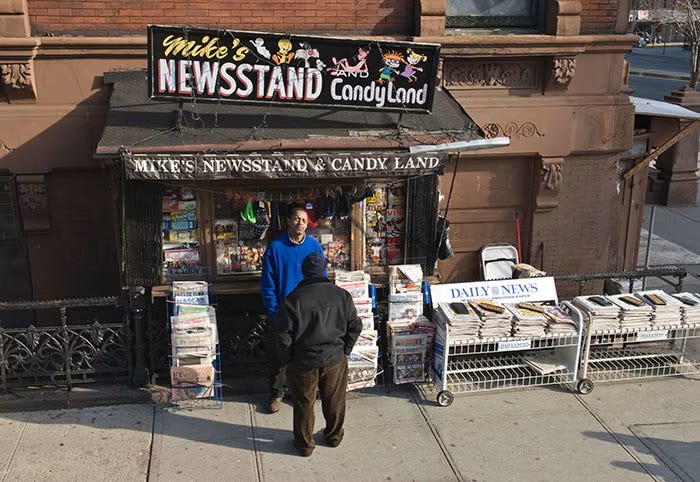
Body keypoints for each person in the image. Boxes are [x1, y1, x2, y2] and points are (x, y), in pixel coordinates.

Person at [275, 252, 362, 457]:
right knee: (335, 399)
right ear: (324, 270)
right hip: (334, 357)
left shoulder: (293, 300)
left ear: (304, 272)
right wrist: (345, 351)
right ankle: (334, 436)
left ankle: (305, 445)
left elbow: (283, 336)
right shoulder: (342, 296)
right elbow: (355, 326)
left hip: (303, 360)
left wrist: (287, 360)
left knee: (304, 402)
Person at [261, 206, 325, 414]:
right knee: (281, 354)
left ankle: (301, 391)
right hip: (283, 311)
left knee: (306, 353)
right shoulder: (275, 248)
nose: (300, 223)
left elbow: (322, 278)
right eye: (296, 219)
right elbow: (268, 284)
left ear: (308, 224)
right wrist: (274, 311)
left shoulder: (314, 246)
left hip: (308, 311)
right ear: (289, 221)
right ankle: (276, 393)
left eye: (304, 220)